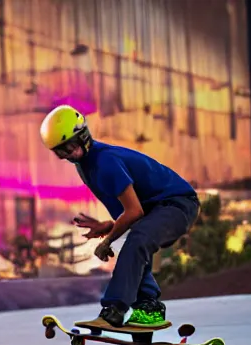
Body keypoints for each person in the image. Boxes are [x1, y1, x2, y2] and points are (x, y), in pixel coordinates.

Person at [39, 104, 200, 328]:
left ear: (83, 135)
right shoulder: (85, 166)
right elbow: (132, 211)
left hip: (179, 204)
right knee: (136, 242)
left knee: (138, 239)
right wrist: (110, 226)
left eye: (71, 146)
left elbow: (135, 212)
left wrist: (108, 241)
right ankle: (148, 309)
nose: (69, 154)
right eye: (61, 151)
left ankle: (115, 310)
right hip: (157, 207)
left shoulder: (105, 162)